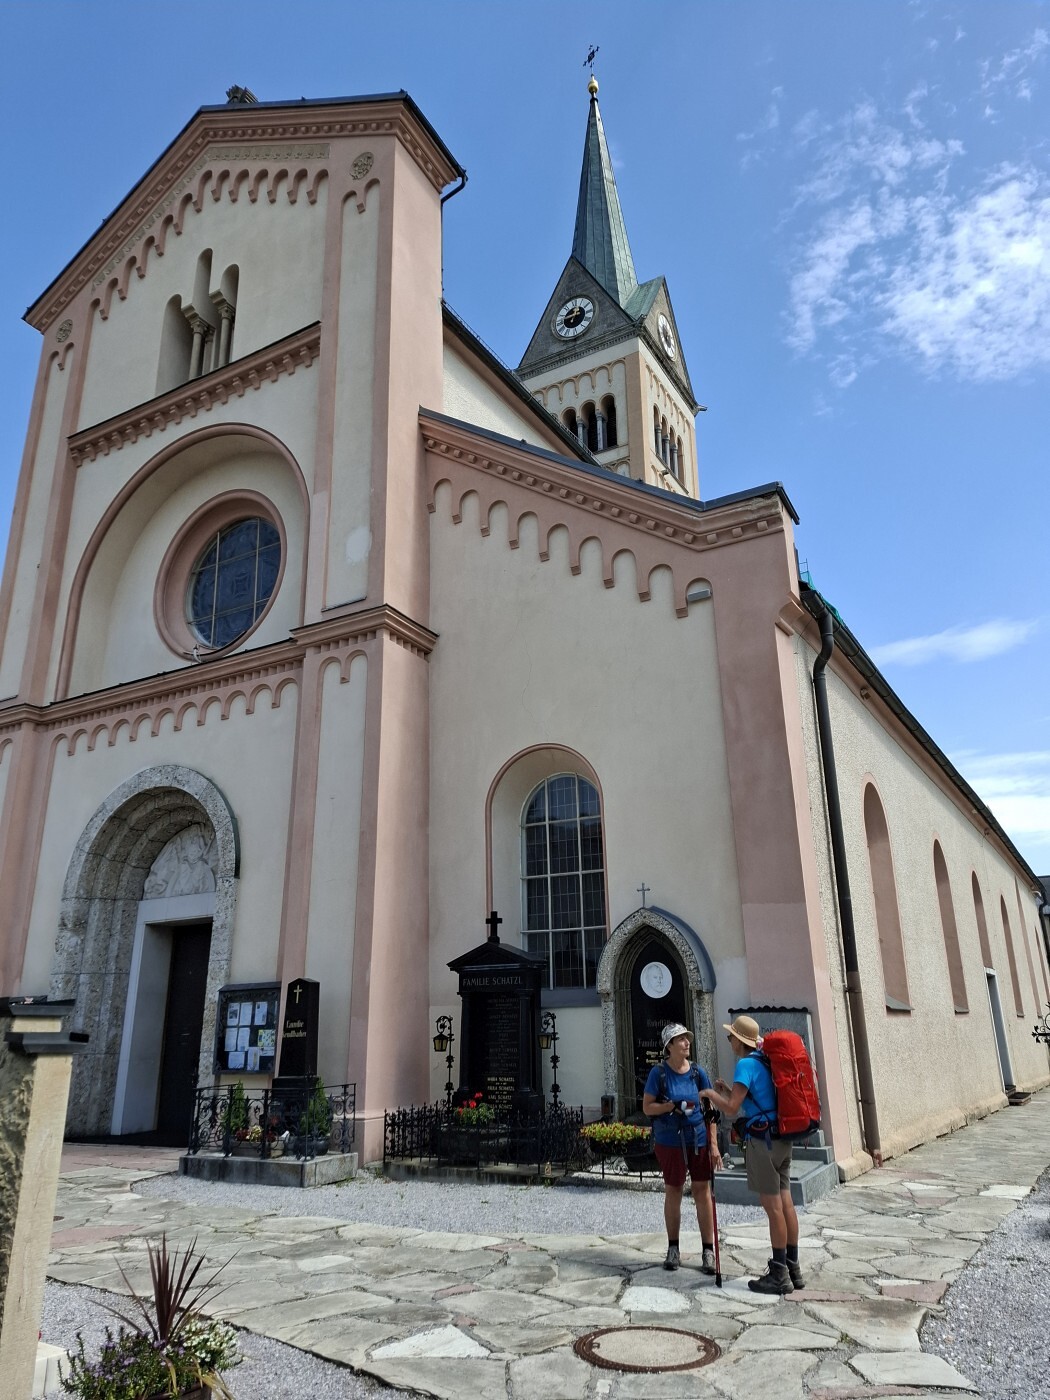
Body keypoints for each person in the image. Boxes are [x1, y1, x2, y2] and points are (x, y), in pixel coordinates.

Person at [699, 1013, 803, 1295]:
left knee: (773, 1207)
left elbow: (732, 1108)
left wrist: (709, 1094)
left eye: (730, 1036)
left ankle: (779, 1274)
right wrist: (727, 1090)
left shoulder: (745, 1063)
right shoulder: (765, 1060)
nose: (729, 1040)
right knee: (786, 1202)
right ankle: (793, 1267)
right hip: (781, 1138)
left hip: (762, 1141)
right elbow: (754, 1099)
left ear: (739, 1040)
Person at [642, 1022, 721, 1273]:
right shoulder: (659, 1074)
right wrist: (669, 1106)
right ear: (670, 1046)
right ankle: (673, 1248)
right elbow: (647, 1107)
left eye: (687, 1038)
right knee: (673, 1190)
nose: (687, 1043)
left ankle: (708, 1250)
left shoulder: (698, 1073)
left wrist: (714, 1145)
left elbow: (710, 1110)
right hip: (670, 1139)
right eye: (681, 1039)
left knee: (702, 1191)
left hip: (697, 1138)